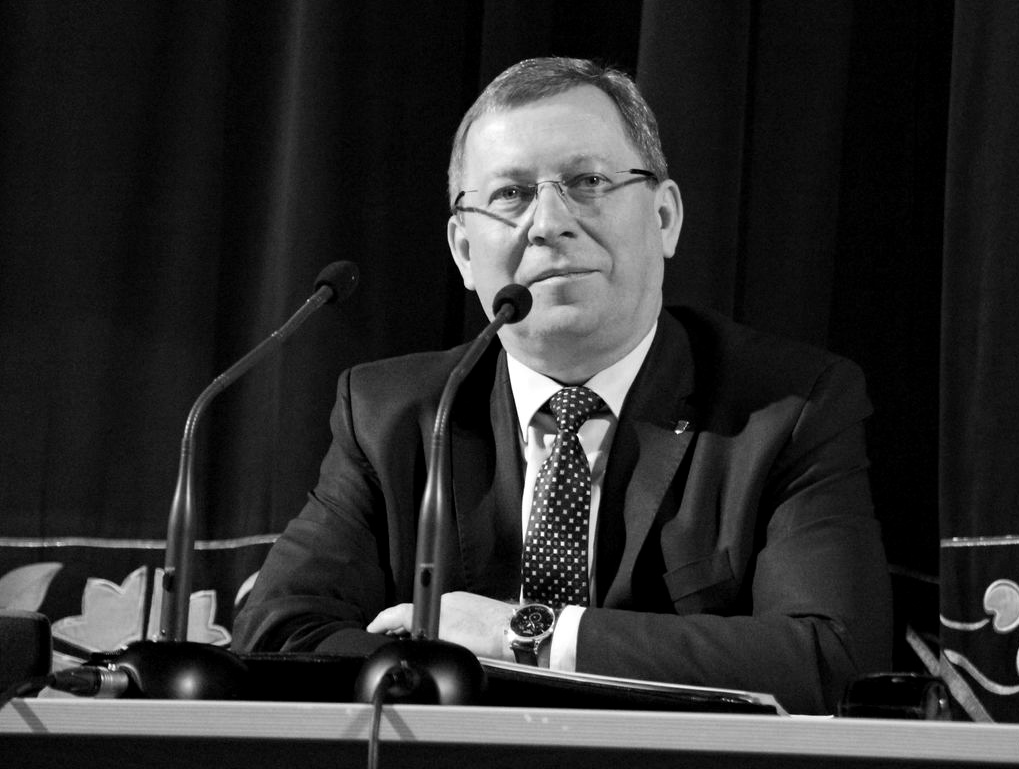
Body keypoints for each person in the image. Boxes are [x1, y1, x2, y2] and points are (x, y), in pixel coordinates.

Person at [233, 57, 892, 714]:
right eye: (511, 195)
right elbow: (277, 634)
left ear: (664, 218)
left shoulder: (789, 409)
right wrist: (447, 671)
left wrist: (522, 636)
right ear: (464, 251)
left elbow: (831, 660)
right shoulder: (391, 416)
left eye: (587, 181)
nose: (548, 223)